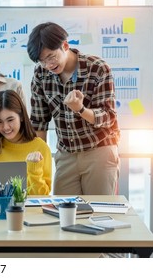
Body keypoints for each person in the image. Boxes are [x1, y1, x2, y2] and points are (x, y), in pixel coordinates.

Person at [27, 22, 120, 195]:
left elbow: (108, 117)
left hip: (98, 150)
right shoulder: (40, 74)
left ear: (65, 45)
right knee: (62, 214)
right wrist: (38, 157)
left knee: (97, 212)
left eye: (51, 57)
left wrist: (81, 109)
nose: (48, 65)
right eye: (42, 61)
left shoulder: (98, 68)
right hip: (66, 154)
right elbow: (39, 121)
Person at [0, 90, 51, 195]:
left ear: (21, 117)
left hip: (30, 210)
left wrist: (34, 170)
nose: (5, 127)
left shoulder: (40, 147)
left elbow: (42, 195)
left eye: (10, 120)